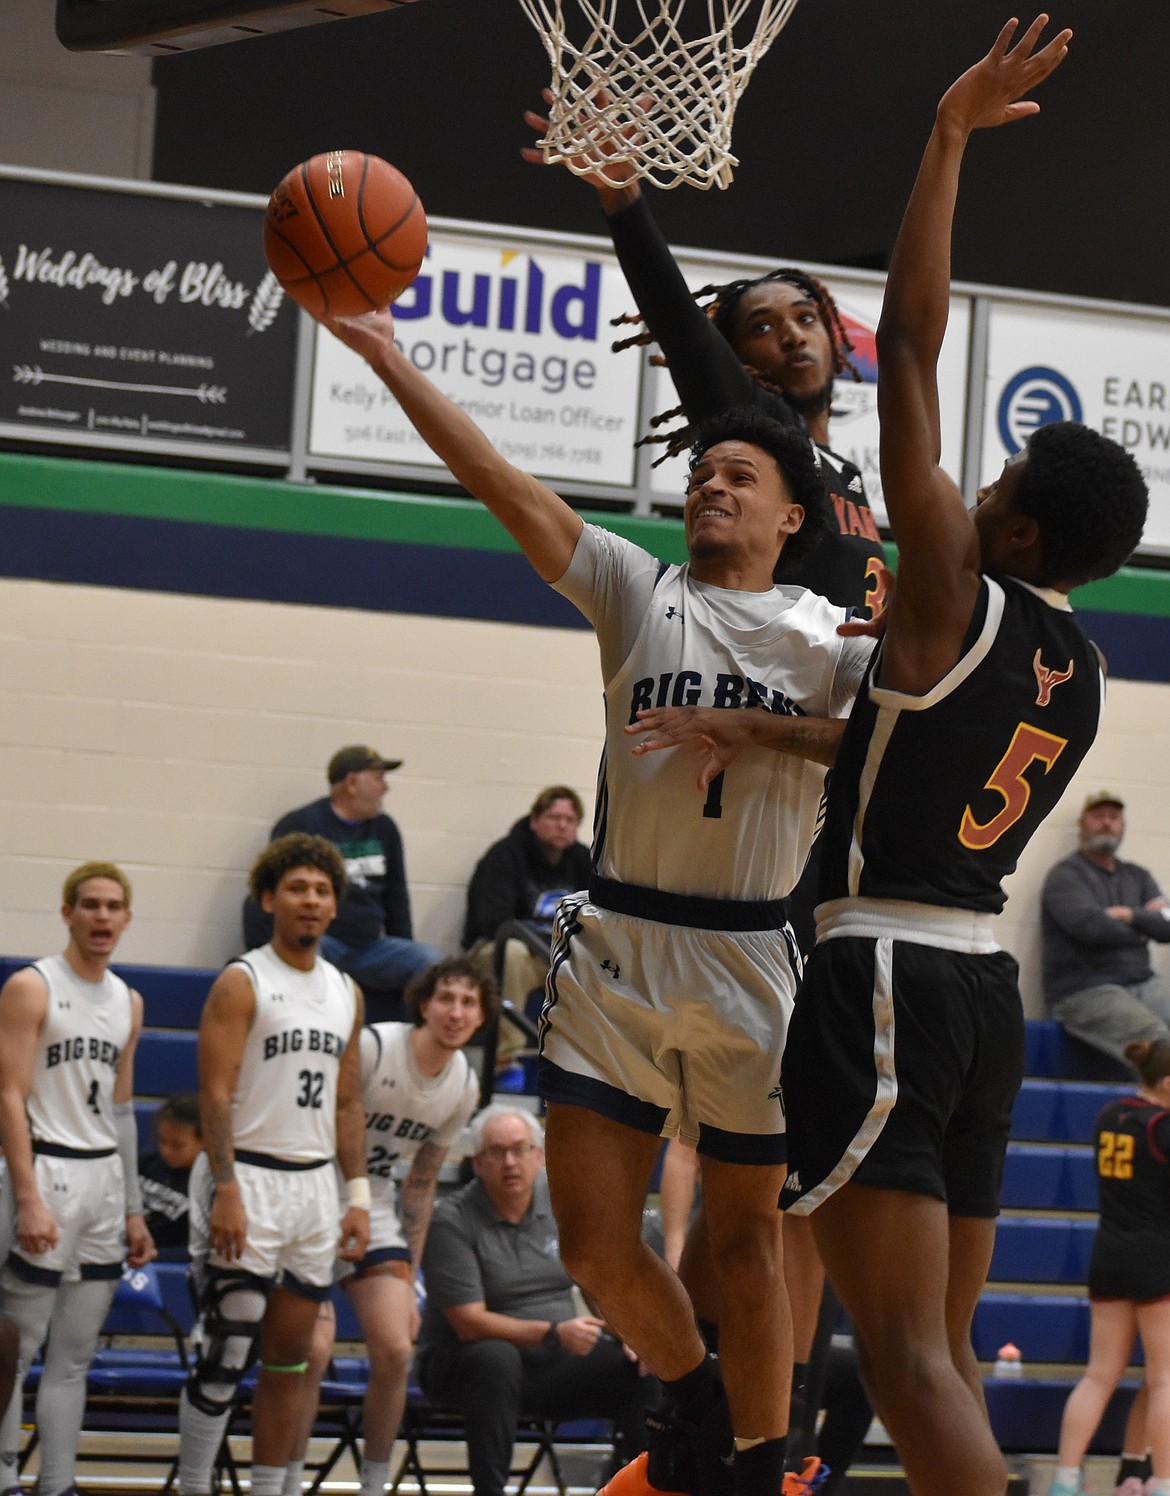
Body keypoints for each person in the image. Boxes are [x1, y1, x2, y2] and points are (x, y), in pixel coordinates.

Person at [306, 289, 872, 1496]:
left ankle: (761, 1467)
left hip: (751, 958)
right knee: (598, 1248)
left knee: (746, 1241)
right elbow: (501, 479)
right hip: (616, 944)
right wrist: (387, 360)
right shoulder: (636, 586)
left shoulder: (833, 640)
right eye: (702, 470)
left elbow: (911, 744)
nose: (711, 485)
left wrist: (757, 731)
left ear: (790, 516)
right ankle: (699, 1400)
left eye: (739, 476)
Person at [768, 19, 1148, 1496]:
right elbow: (903, 753)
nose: (966, 485)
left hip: (879, 978)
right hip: (981, 991)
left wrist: (943, 134)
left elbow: (908, 344)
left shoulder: (951, 591)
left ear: (1022, 530)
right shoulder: (1085, 669)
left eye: (991, 482)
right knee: (940, 1341)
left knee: (908, 1360)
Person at [523, 99, 888, 622]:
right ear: (736, 361)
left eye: (806, 317)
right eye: (762, 327)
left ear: (835, 337)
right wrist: (624, 200)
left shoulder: (843, 470)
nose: (791, 335)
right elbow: (684, 332)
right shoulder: (766, 434)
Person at [177, 832, 370, 1496]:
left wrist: (359, 1198)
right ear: (269, 899)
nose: (310, 900)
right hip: (249, 1177)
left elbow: (349, 1103)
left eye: (321, 890)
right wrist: (225, 1186)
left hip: (316, 1187)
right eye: (297, 888)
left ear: (334, 907)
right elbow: (214, 1093)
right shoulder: (244, 979)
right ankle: (196, 1485)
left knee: (291, 1361)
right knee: (229, 1352)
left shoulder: (347, 989)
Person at [283, 955, 495, 1496]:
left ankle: (374, 1485)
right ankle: (285, 1480)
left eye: (469, 1003)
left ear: (482, 1017)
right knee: (314, 1349)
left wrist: (411, 1278)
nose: (456, 1011)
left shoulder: (465, 1086)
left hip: (375, 1207)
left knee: (397, 1349)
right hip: (316, 1192)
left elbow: (422, 1182)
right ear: (424, 1005)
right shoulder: (377, 1045)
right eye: (446, 998)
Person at [0, 860, 155, 1496]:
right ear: (67, 913)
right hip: (48, 1167)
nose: (101, 916)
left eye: (112, 906)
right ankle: (6, 1476)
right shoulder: (33, 986)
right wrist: (27, 1194)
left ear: (125, 918)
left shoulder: (129, 1000)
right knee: (17, 1345)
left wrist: (135, 1206)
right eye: (88, 904)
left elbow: (122, 1110)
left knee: (75, 1355)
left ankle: (58, 1483)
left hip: (103, 1180)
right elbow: (8, 1095)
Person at [415, 1104, 652, 1496]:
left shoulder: (560, 1202)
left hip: (547, 1365)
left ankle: (642, 1485)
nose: (510, 1162)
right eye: (496, 1152)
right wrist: (554, 1333)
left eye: (520, 1149)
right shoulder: (451, 1220)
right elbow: (468, 1322)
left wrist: (633, 1334)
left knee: (638, 1369)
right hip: (459, 1365)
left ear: (539, 1156)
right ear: (478, 1163)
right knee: (497, 1358)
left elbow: (596, 1284)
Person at [1048, 1038, 1170, 1496]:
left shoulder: (1108, 1116)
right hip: (1157, 1260)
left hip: (1109, 1255)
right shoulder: (1163, 1127)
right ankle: (1162, 1483)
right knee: (1164, 1381)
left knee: (1098, 1376)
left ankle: (1064, 1480)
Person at [251, 746, 441, 1009]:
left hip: (372, 948)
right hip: (322, 940)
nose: (385, 787)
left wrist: (402, 943)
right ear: (352, 782)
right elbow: (272, 890)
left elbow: (397, 896)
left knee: (431, 963)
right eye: (378, 778)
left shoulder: (385, 829)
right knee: (304, 952)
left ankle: (411, 1042)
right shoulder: (302, 825)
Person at [464, 786, 592, 1064]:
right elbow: (494, 923)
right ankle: (504, 1060)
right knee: (513, 953)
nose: (561, 825)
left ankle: (581, 1066)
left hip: (552, 955)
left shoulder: (584, 860)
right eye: (554, 817)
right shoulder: (505, 855)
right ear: (535, 821)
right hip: (495, 953)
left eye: (570, 820)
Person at [1042, 791, 1170, 1062]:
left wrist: (1127, 915)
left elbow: (1167, 927)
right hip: (1083, 988)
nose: (1106, 823)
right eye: (1098, 816)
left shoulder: (1138, 876)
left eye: (1113, 817)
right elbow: (1090, 928)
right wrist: (1145, 924)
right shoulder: (1065, 877)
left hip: (1142, 980)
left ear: (1122, 825)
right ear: (1082, 824)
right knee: (1154, 1038)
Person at [139, 1090, 202, 1260]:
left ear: (204, 1143)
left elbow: (193, 1250)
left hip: (160, 1260)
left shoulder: (206, 1188)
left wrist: (156, 1254)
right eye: (162, 1140)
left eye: (177, 1145)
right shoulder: (144, 1163)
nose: (165, 1150)